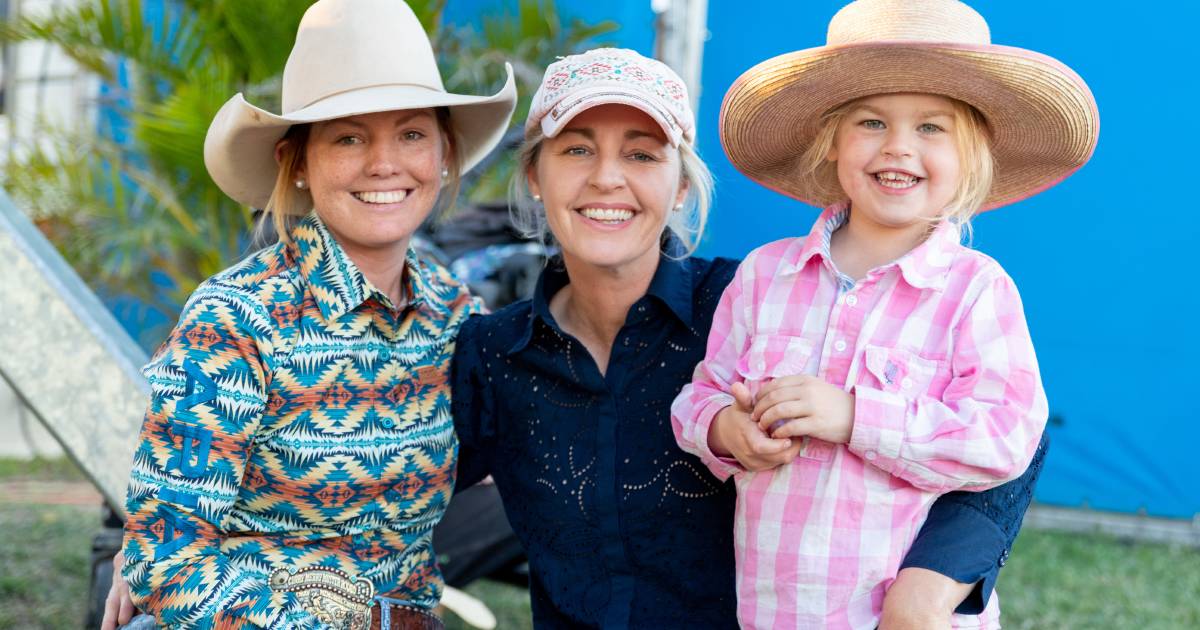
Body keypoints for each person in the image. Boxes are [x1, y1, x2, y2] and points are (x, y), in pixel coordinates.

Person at [452, 46, 1051, 629]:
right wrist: (722, 428)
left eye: (642, 155)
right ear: (534, 174)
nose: (607, 178)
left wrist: (930, 582)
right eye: (577, 150)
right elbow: (392, 493)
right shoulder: (492, 354)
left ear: (681, 185)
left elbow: (1015, 442)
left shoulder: (749, 292)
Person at [670, 0, 1098, 627]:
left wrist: (854, 415)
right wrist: (724, 432)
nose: (898, 147)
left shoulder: (976, 290)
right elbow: (701, 395)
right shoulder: (765, 275)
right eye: (871, 122)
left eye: (932, 128)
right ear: (831, 144)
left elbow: (1005, 438)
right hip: (777, 610)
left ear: (969, 158)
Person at [106, 0, 516, 628]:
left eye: (411, 133)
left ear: (443, 154)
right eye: (349, 136)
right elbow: (166, 560)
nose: (385, 164)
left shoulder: (456, 316)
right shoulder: (237, 318)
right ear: (297, 163)